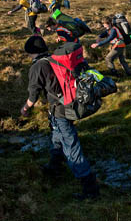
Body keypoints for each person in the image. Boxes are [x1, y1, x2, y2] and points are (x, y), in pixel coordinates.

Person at [21, 36, 99, 200]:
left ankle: (89, 187)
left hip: (61, 110)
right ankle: (55, 165)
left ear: (31, 52)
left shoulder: (37, 67)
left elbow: (33, 96)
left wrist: (25, 108)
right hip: (68, 105)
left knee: (71, 145)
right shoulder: (53, 60)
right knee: (57, 135)